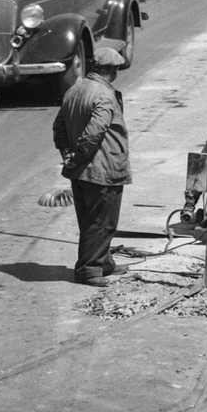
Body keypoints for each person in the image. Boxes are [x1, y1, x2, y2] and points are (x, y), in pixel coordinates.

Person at [53, 37, 132, 285]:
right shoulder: (104, 96)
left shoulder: (74, 90)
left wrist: (67, 153)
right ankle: (88, 269)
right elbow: (94, 131)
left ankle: (105, 263)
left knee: (91, 219)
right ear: (112, 70)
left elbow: (59, 126)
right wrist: (79, 154)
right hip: (102, 169)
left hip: (80, 172)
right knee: (103, 222)